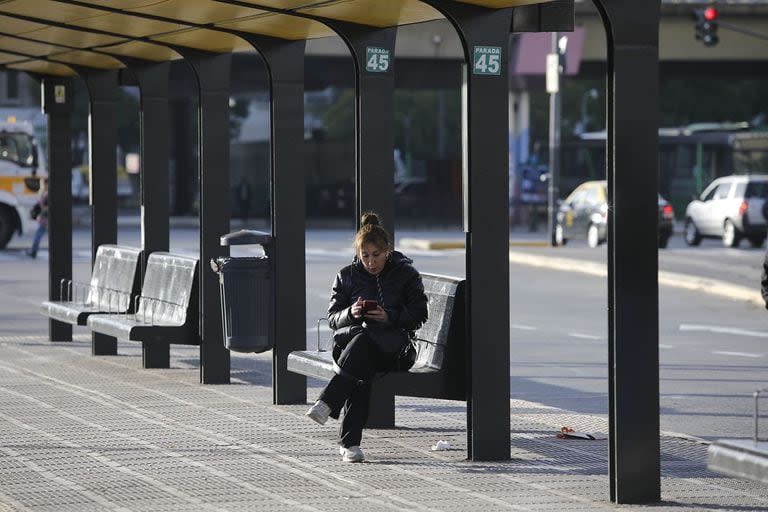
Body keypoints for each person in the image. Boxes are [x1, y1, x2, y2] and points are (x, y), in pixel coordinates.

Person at [306, 212, 428, 463]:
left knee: (361, 357)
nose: (371, 263)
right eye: (365, 256)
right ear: (358, 254)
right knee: (361, 352)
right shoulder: (347, 275)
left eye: (376, 255)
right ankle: (349, 445)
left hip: (393, 349)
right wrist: (351, 312)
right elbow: (332, 318)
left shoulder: (406, 274)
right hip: (353, 343)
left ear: (387, 251)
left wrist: (389, 316)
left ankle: (332, 410)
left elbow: (419, 314)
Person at [26, 178, 48, 259]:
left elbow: (44, 207)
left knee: (38, 235)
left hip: (44, 218)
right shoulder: (45, 194)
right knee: (39, 234)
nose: (42, 185)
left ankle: (34, 251)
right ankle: (34, 250)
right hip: (45, 218)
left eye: (42, 184)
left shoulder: (44, 194)